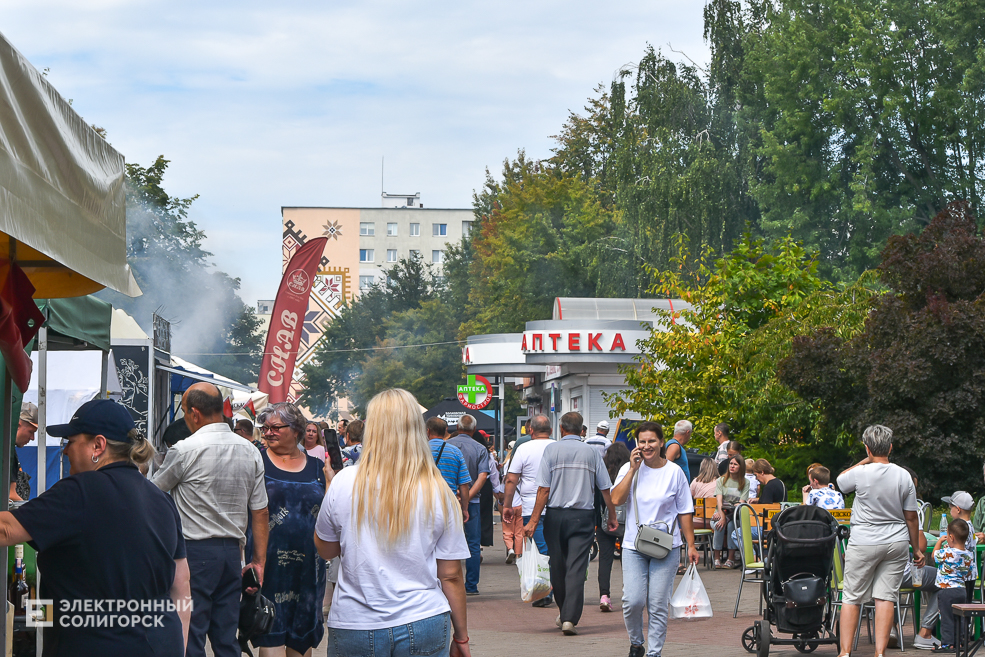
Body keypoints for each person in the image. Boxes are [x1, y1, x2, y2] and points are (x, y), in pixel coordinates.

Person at [0, 399, 190, 656]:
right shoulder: (161, 500)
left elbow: (6, 530)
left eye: (70, 441)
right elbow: (181, 585)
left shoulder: (80, 490)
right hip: (162, 641)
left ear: (98, 445)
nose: (65, 451)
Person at [314, 388, 472, 657]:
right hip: (424, 619)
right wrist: (462, 637)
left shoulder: (344, 482)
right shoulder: (438, 490)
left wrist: (331, 488)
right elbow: (451, 575)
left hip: (356, 623)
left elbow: (326, 550)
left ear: (371, 428)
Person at [153, 382, 269, 657]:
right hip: (233, 555)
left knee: (190, 634)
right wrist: (258, 562)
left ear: (194, 413)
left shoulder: (185, 449)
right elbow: (260, 511)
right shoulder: (250, 450)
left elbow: (154, 494)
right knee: (227, 637)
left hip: (193, 553)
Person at [524, 411, 619, 635]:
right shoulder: (591, 452)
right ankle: (569, 618)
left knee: (557, 565)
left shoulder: (551, 450)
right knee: (576, 568)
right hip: (583, 517)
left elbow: (543, 489)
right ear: (581, 429)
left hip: (555, 516)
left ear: (562, 429)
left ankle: (564, 610)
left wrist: (534, 521)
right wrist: (612, 515)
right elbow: (605, 487)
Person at [611, 422, 698, 657]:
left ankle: (654, 653)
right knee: (632, 601)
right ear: (637, 445)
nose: (646, 446)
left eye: (651, 441)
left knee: (658, 604)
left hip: (666, 546)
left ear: (662, 442)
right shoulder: (630, 469)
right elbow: (616, 499)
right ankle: (637, 643)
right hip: (633, 545)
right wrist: (631, 470)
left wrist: (691, 544)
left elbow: (685, 511)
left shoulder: (674, 472)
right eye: (642, 441)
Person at [836, 425, 924, 657]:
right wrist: (916, 549)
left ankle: (845, 652)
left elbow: (840, 480)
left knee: (852, 596)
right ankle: (880, 653)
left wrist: (865, 460)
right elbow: (912, 517)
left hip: (864, 539)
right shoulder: (903, 475)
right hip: (896, 541)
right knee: (885, 596)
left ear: (867, 448)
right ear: (891, 447)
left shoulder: (860, 473)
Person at [247, 403, 327, 656]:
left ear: (296, 430)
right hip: (267, 566)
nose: (267, 433)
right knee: (270, 636)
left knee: (301, 641)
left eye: (275, 428)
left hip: (308, 568)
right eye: (265, 428)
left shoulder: (317, 468)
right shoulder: (256, 462)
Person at [503, 414, 554, 607]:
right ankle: (554, 587)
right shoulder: (556, 446)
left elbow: (511, 479)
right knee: (552, 549)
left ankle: (544, 590)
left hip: (531, 507)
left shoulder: (523, 449)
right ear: (550, 430)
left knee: (540, 550)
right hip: (556, 505)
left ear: (530, 430)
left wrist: (507, 505)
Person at [448, 414, 490, 596]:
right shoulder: (480, 449)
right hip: (472, 502)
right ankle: (471, 585)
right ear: (474, 430)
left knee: (446, 542)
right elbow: (483, 476)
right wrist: (467, 497)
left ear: (457, 428)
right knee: (473, 543)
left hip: (447, 500)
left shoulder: (447, 446)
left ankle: (447, 581)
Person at [597, 442, 631, 612]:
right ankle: (629, 594)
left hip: (606, 520)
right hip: (628, 521)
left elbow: (598, 497)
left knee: (605, 558)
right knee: (629, 558)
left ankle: (604, 595)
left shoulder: (602, 472)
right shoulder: (629, 472)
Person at [932, 519, 975, 653]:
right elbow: (969, 573)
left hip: (946, 591)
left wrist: (939, 541)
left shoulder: (945, 554)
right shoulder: (969, 555)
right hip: (961, 590)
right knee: (959, 617)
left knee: (946, 617)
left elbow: (934, 556)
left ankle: (947, 644)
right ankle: (960, 641)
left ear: (951, 537)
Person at [426, 417, 472, 520]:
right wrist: (465, 508)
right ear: (445, 430)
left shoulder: (420, 451)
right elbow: (464, 484)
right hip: (449, 504)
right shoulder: (455, 452)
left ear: (428, 431)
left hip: (425, 503)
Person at [713, 454, 750, 569]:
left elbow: (741, 502)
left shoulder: (745, 482)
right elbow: (719, 500)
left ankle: (731, 558)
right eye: (731, 463)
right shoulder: (721, 480)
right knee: (719, 524)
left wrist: (732, 508)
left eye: (735, 464)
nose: (732, 466)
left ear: (741, 467)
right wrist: (721, 514)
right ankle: (716, 557)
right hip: (720, 512)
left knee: (731, 526)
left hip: (735, 514)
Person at [10, 402, 38, 500]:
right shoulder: (7, 453)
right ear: (17, 425)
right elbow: (10, 496)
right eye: (31, 432)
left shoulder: (10, 451)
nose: (32, 438)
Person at [690, 458, 719, 530]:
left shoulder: (695, 481)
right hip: (713, 521)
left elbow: (689, 498)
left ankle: (702, 538)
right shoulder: (719, 482)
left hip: (696, 521)